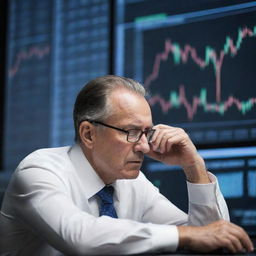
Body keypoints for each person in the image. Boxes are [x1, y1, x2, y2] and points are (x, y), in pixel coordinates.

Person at [0, 75, 253, 256]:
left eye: (147, 132)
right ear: (88, 134)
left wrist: (194, 166)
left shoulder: (132, 182)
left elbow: (209, 238)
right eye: (131, 132)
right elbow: (80, 239)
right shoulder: (38, 171)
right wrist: (184, 235)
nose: (144, 146)